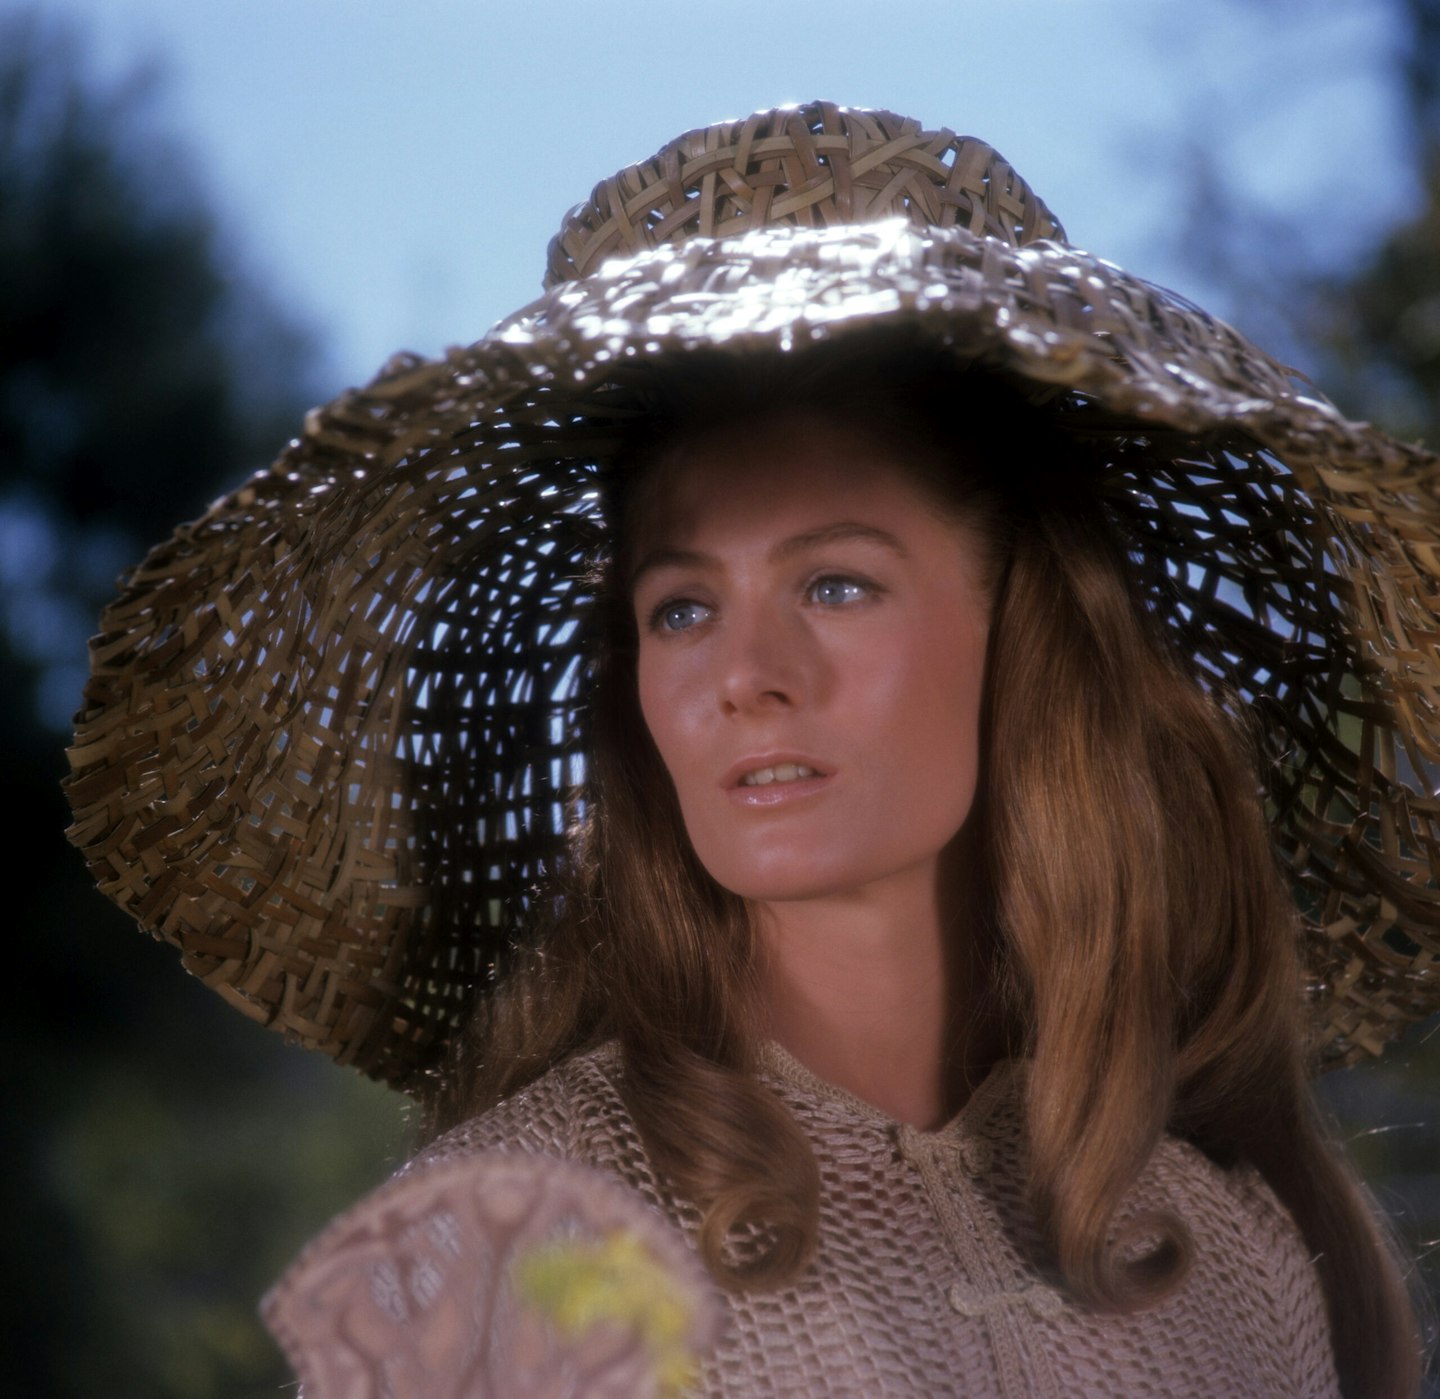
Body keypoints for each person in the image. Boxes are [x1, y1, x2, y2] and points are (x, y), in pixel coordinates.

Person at [65, 103, 1437, 1397]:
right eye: (683, 608)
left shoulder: (1241, 1262)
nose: (746, 681)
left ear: (1017, 632)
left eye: (836, 584)